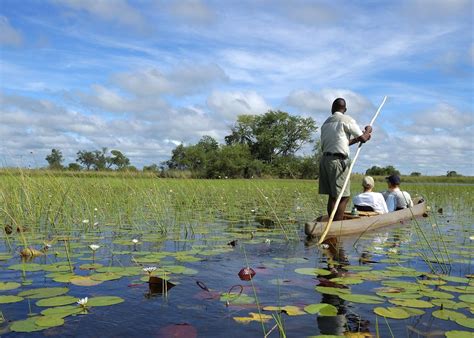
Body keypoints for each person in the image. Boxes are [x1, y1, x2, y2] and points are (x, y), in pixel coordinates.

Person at [319, 98, 372, 221]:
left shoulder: (326, 122)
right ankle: (336, 225)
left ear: (332, 109)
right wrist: (368, 130)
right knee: (343, 197)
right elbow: (363, 138)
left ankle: (332, 223)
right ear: (345, 109)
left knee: (333, 196)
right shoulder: (346, 119)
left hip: (325, 161)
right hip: (338, 162)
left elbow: (344, 142)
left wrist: (359, 138)